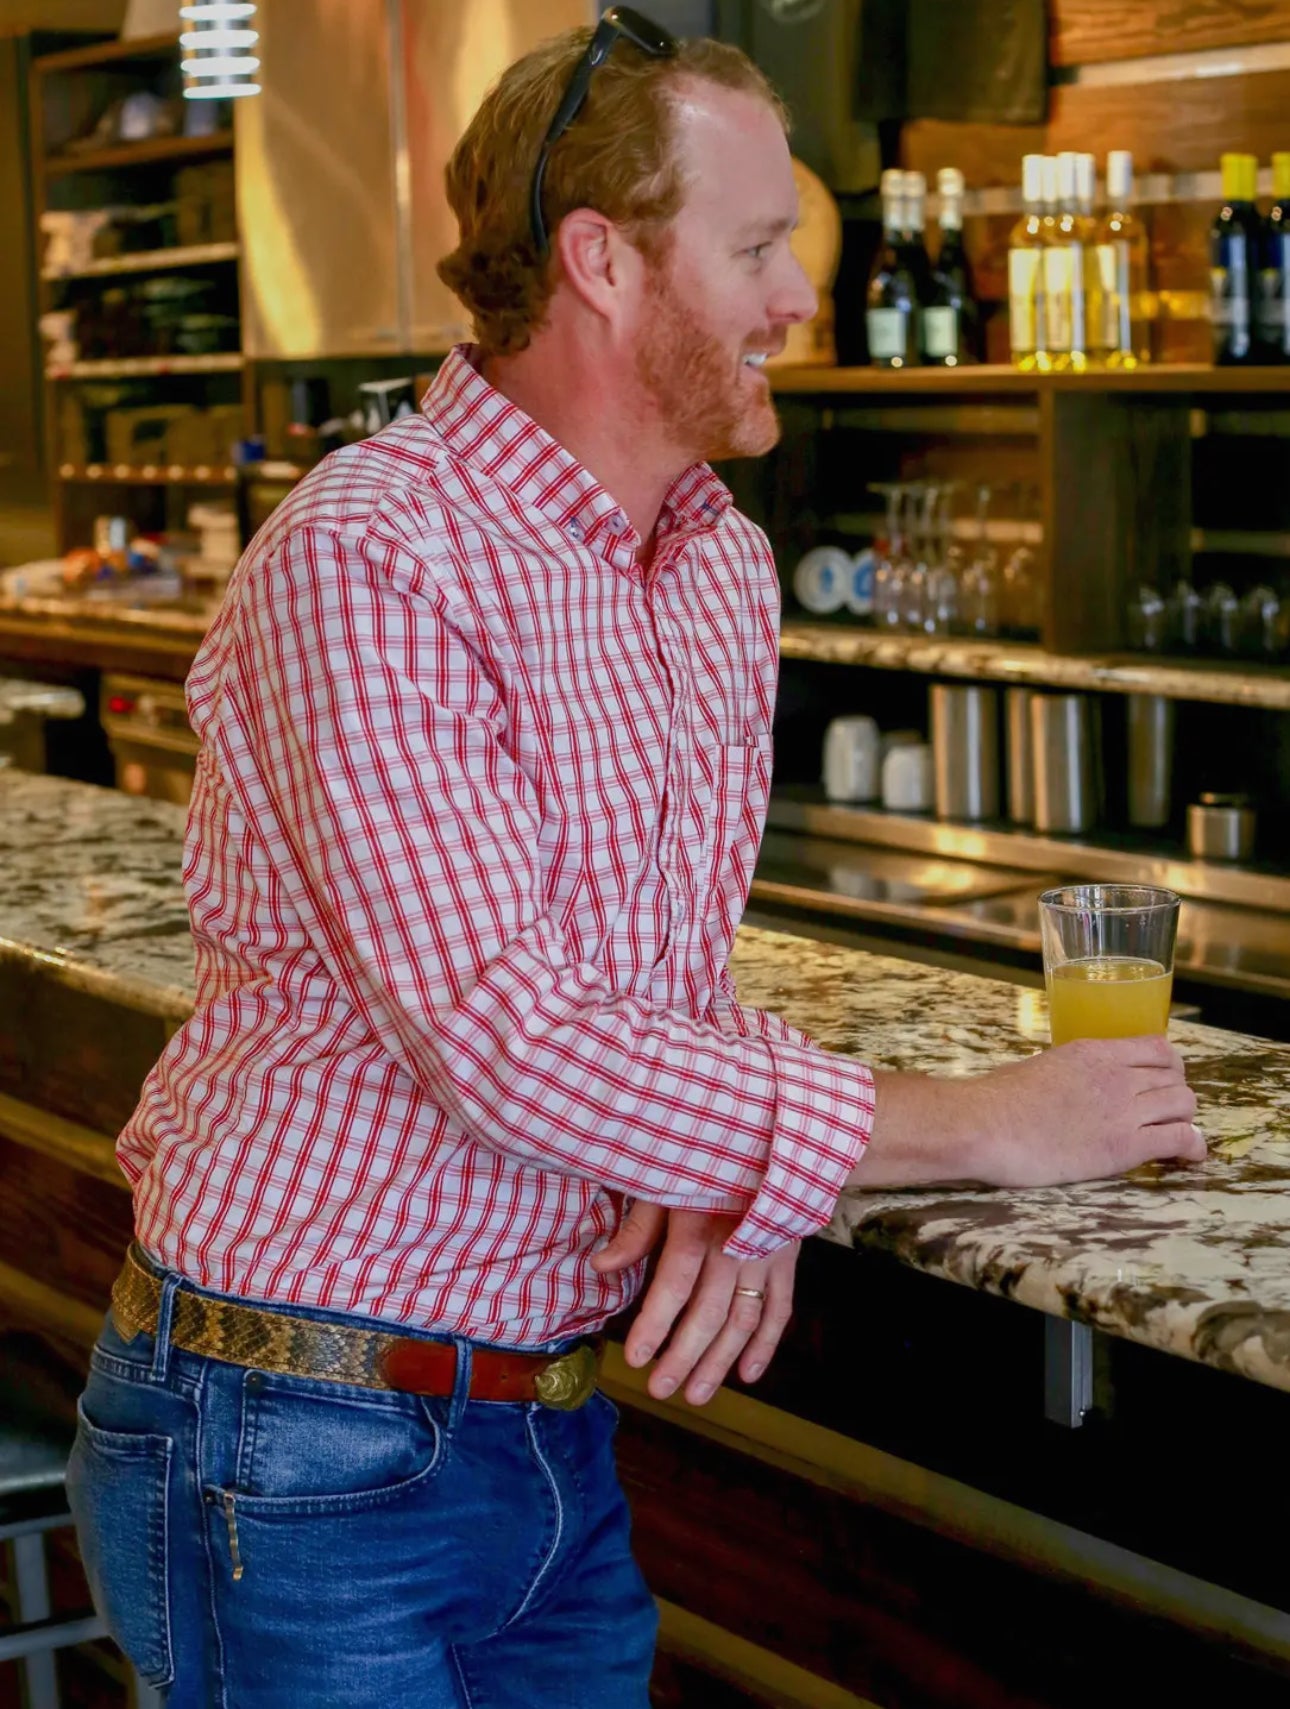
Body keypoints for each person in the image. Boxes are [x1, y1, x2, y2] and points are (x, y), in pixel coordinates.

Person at [67, 10, 1203, 1707]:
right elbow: (506, 1038)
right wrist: (980, 1119)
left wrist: (756, 1177)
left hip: (545, 1431)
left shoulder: (712, 563)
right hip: (294, 1440)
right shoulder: (373, 553)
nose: (798, 297)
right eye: (754, 247)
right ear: (601, 263)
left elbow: (653, 986)